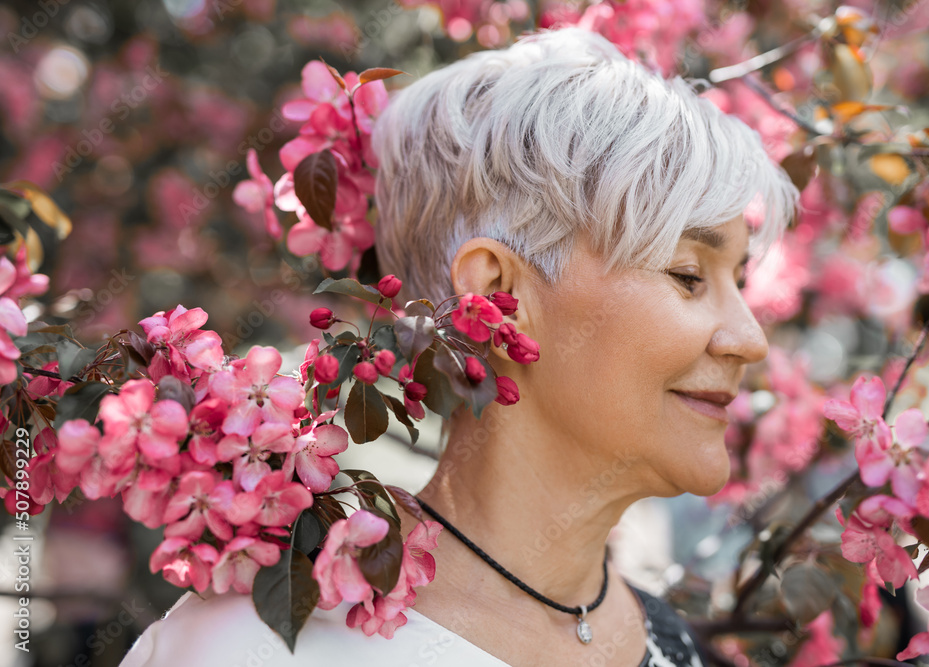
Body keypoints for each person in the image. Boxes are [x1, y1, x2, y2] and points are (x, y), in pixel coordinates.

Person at [120, 26, 798, 667]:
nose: (750, 338)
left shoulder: (672, 645)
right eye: (688, 274)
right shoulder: (251, 649)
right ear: (497, 296)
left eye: (738, 282)